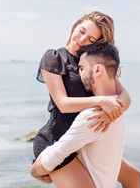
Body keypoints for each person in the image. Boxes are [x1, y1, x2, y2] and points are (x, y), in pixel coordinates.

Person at [32, 11, 140, 187]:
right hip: (58, 138)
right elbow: (63, 103)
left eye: (91, 39)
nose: (82, 40)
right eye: (82, 31)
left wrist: (111, 113)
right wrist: (99, 102)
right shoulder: (54, 58)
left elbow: (125, 97)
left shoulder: (93, 62)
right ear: (75, 25)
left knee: (134, 176)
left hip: (87, 140)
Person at [31, 42, 125, 188]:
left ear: (98, 69)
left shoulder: (99, 114)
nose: (78, 74)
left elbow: (53, 155)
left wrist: (34, 171)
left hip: (59, 147)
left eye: (81, 68)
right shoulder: (115, 107)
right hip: (52, 139)